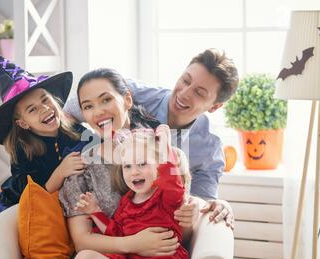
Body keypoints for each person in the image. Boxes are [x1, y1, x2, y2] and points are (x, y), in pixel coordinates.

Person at [55, 68, 233, 259]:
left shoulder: (167, 159)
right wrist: (135, 243)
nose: (98, 111)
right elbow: (82, 241)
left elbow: (178, 224)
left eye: (106, 99)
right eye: (88, 106)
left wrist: (201, 210)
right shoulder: (80, 169)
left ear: (127, 99)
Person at [7, 125, 191, 259]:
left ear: (159, 167)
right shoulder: (127, 202)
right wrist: (95, 212)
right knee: (85, 256)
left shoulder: (166, 197)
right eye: (127, 166)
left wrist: (165, 145)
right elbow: (116, 232)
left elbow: (173, 178)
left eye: (142, 164)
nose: (134, 172)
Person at [64, 48, 239, 229]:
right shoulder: (131, 93)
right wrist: (73, 154)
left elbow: (201, 201)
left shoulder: (209, 149)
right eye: (185, 80)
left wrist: (216, 204)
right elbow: (68, 112)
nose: (185, 93)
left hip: (157, 228)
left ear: (215, 106)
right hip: (111, 218)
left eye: (199, 93)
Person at [0, 47, 89, 259]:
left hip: (67, 209)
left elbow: (97, 146)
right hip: (22, 206)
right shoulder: (24, 151)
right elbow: (32, 195)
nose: (44, 109)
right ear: (23, 123)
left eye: (45, 100)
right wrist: (60, 173)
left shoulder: (74, 132)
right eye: (33, 109)